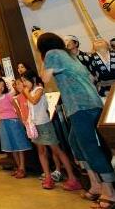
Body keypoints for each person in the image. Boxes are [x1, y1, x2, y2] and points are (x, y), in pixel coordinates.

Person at [37, 33, 115, 208]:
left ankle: (109, 192)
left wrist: (42, 57)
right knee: (75, 141)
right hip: (92, 102)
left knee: (89, 146)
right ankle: (95, 184)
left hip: (80, 106)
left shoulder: (52, 54)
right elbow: (90, 78)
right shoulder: (69, 55)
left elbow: (45, 78)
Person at [20, 70, 81, 191]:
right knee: (41, 151)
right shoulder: (30, 91)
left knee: (56, 150)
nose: (24, 84)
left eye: (25, 81)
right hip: (35, 125)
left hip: (45, 124)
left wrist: (26, 93)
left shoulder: (39, 89)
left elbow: (34, 100)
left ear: (33, 79)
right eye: (23, 82)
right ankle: (48, 177)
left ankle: (73, 178)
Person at [0, 77, 31, 179]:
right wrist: (0, 121)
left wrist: (22, 122)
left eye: (2, 85)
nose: (1, 87)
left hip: (13, 121)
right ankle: (18, 167)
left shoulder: (8, 96)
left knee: (19, 145)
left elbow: (17, 109)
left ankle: (22, 168)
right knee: (12, 146)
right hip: (3, 123)